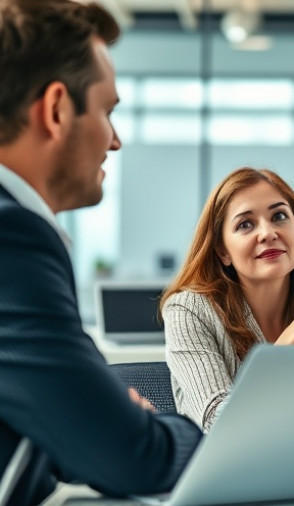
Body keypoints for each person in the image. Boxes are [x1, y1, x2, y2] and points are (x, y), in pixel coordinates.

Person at [0, 1, 201, 504]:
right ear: (56, 110)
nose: (116, 140)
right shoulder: (13, 237)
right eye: (108, 111)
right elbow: (133, 457)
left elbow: (50, 429)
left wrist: (97, 429)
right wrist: (142, 427)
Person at [160, 168, 294, 433]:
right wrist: (291, 341)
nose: (267, 233)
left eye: (279, 216)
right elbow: (217, 424)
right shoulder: (189, 311)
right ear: (223, 251)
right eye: (245, 224)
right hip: (229, 473)